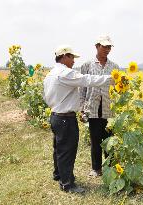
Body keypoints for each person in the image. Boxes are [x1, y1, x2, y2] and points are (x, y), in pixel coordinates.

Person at [43, 45, 111, 193]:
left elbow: (45, 97)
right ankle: (67, 183)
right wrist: (111, 78)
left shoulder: (51, 73)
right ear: (64, 56)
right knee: (67, 150)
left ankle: (58, 174)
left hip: (55, 115)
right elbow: (87, 79)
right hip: (66, 119)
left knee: (59, 149)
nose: (74, 61)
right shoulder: (65, 73)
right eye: (72, 57)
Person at [79, 35, 119, 177]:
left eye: (109, 47)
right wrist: (82, 107)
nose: (107, 49)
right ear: (97, 46)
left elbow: (118, 89)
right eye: (104, 46)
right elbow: (82, 88)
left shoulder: (114, 67)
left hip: (109, 109)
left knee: (110, 140)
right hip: (93, 108)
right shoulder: (87, 65)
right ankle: (96, 169)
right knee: (95, 139)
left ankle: (110, 167)